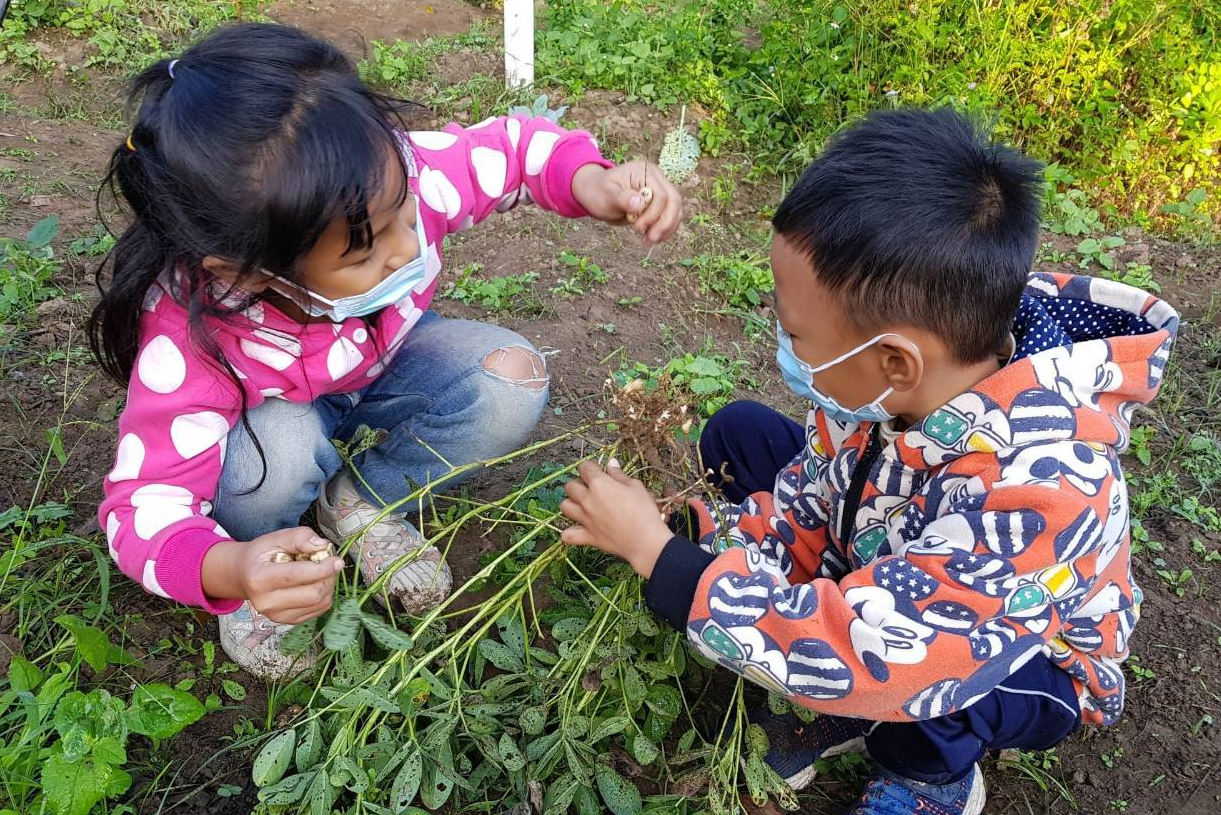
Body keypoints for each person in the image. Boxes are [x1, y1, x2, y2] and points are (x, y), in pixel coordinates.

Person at [560, 108, 1177, 814]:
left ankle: (929, 780)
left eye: (794, 331)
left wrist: (663, 562)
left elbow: (891, 654)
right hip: (892, 551)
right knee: (741, 433)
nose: (781, 341)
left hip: (1017, 655)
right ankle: (828, 688)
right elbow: (810, 501)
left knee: (926, 688)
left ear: (893, 360)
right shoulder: (886, 392)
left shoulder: (1045, 493)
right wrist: (689, 533)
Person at [90, 22, 681, 681]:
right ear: (246, 273)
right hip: (273, 420)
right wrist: (229, 569)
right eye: (367, 250)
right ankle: (268, 562)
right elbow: (142, 508)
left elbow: (514, 152)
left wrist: (590, 182)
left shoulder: (382, 182)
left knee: (508, 380)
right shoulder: (194, 337)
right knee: (275, 461)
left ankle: (360, 498)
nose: (408, 243)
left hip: (378, 368)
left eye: (404, 210)